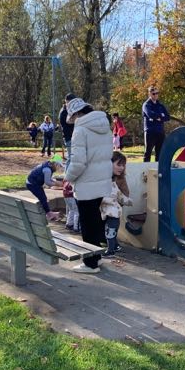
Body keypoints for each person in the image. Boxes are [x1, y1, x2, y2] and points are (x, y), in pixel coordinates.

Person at [63, 97, 113, 274]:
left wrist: (67, 178)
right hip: (102, 182)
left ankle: (90, 262)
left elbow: (78, 162)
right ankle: (97, 257)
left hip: (86, 184)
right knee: (95, 219)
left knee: (87, 223)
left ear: (76, 114)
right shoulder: (105, 127)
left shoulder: (80, 130)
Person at [101, 151, 133, 257]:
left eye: (123, 165)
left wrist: (124, 202)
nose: (122, 168)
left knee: (111, 230)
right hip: (105, 211)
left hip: (113, 212)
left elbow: (122, 194)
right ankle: (114, 246)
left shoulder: (117, 180)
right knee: (109, 231)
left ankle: (111, 250)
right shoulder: (104, 179)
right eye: (119, 164)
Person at [142, 85, 170, 162]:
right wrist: (161, 116)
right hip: (150, 132)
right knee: (148, 153)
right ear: (149, 94)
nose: (155, 95)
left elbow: (167, 117)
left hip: (160, 132)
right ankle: (146, 171)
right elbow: (150, 114)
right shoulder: (146, 105)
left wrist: (157, 118)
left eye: (157, 93)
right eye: (153, 93)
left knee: (160, 153)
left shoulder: (160, 105)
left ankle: (158, 171)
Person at [59, 93, 76, 163]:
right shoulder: (64, 111)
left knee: (72, 157)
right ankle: (68, 173)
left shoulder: (69, 110)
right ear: (67, 101)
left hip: (73, 136)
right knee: (71, 158)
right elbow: (69, 122)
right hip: (69, 136)